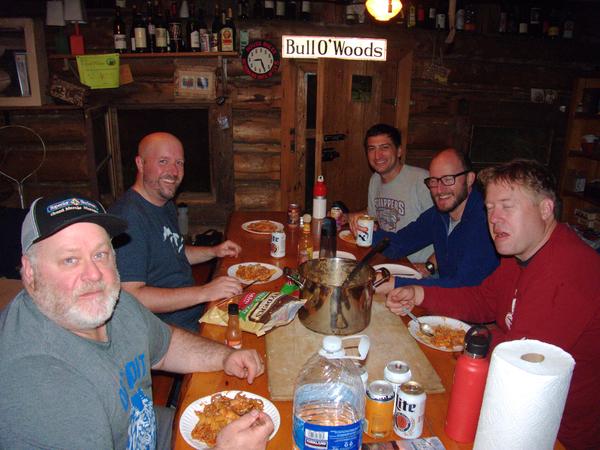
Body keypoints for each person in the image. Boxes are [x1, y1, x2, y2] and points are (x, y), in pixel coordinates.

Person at [0, 194, 273, 449]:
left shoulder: (115, 305)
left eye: (100, 254)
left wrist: (224, 357)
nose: (94, 274)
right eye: (70, 259)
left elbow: (165, 345)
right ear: (29, 272)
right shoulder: (39, 383)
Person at [386, 159, 600, 450]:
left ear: (545, 209)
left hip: (553, 433)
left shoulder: (568, 271)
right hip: (513, 404)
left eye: (507, 206)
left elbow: (521, 362)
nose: (494, 219)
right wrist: (420, 294)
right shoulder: (520, 255)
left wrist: (469, 338)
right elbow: (483, 299)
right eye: (489, 208)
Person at [109, 132, 243, 332]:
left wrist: (213, 251)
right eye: (163, 161)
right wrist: (204, 292)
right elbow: (132, 296)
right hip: (166, 332)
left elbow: (172, 252)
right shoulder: (129, 219)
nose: (173, 171)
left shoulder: (164, 203)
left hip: (195, 312)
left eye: (179, 163)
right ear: (140, 163)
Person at [374, 148, 498, 291]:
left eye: (447, 179)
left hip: (470, 305)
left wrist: (396, 283)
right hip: (444, 293)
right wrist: (364, 231)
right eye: (433, 181)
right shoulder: (439, 215)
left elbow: (463, 288)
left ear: (469, 179)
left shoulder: (486, 222)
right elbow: (399, 244)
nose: (439, 190)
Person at [348, 123, 433, 263]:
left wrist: (430, 267)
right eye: (371, 149)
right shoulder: (375, 179)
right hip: (388, 257)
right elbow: (374, 214)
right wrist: (351, 216)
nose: (377, 155)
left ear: (399, 151)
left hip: (417, 266)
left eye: (384, 148)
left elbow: (445, 228)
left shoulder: (422, 181)